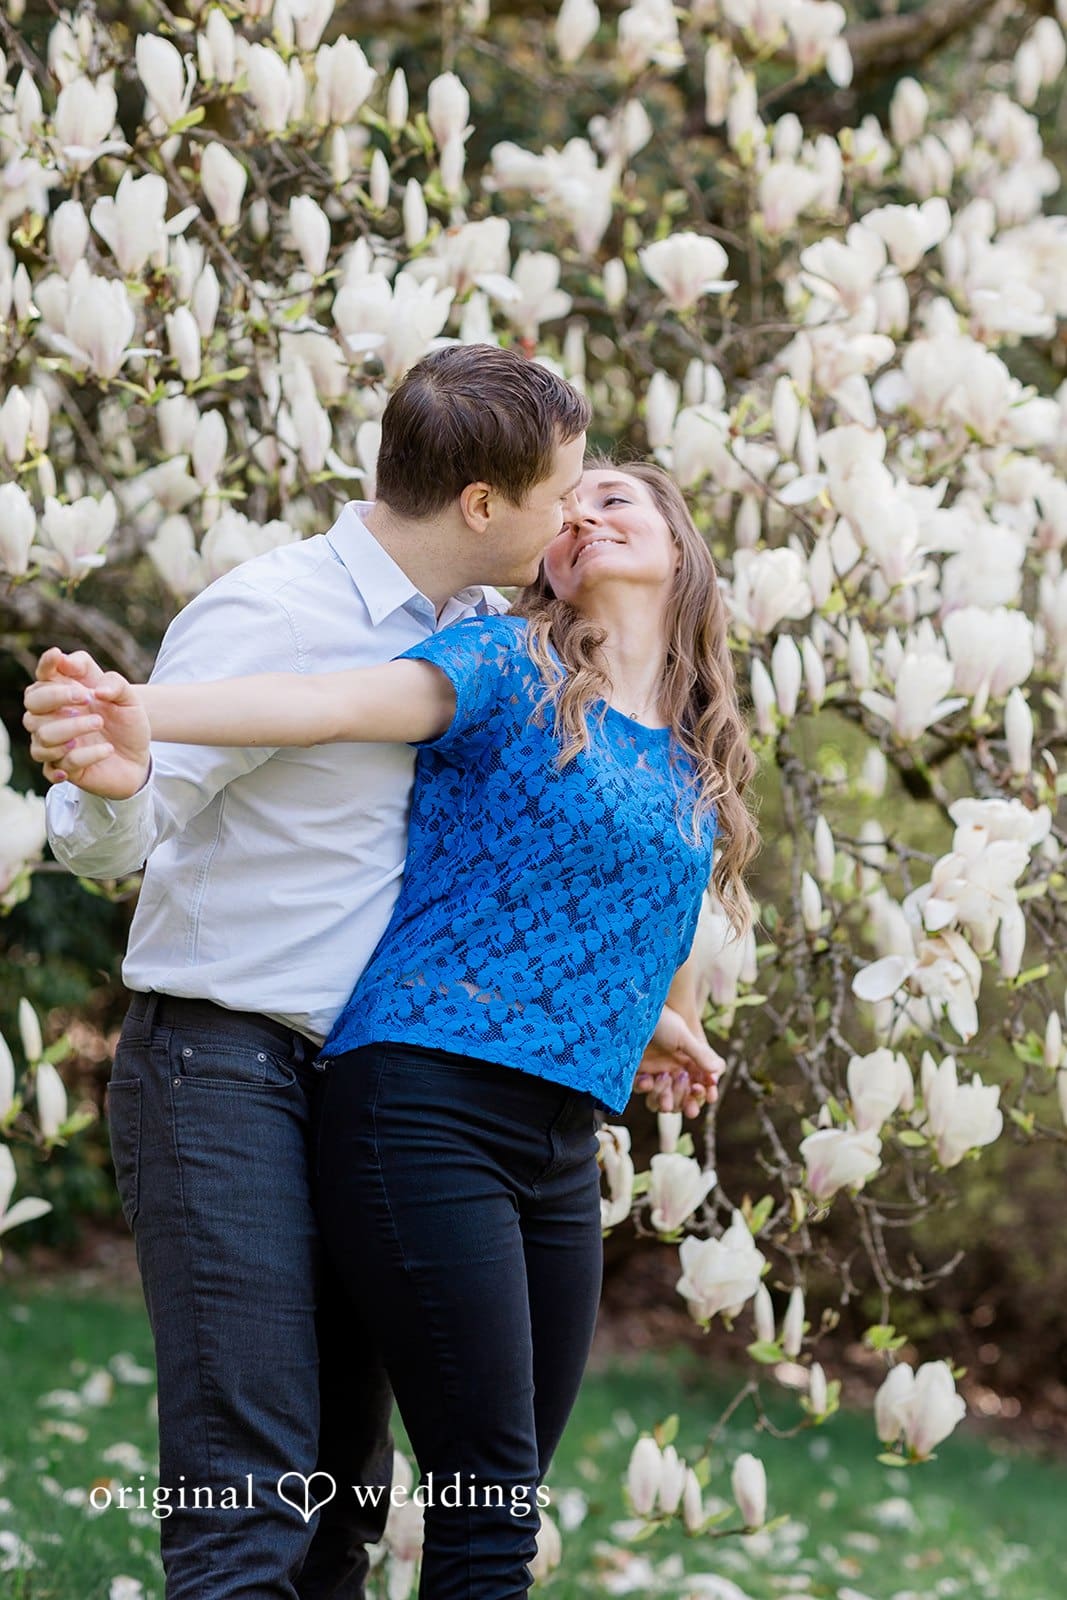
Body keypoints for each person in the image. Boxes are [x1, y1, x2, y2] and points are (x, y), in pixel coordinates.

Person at [28, 460, 758, 1597]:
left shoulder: (697, 753)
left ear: (681, 545)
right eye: (568, 509)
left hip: (560, 1139)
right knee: (484, 1504)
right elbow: (324, 704)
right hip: (424, 1098)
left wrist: (664, 1020)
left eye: (614, 499)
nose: (580, 516)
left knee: (489, 1493)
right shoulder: (503, 661)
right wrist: (142, 710)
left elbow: (642, 909)